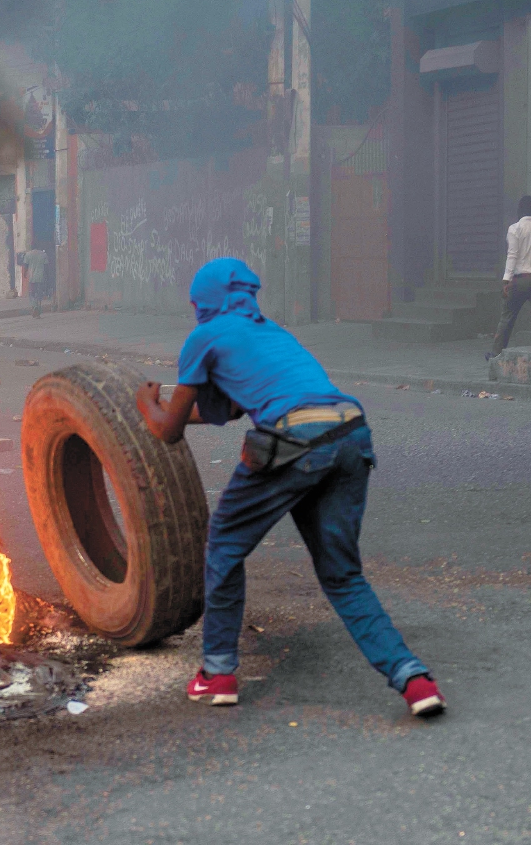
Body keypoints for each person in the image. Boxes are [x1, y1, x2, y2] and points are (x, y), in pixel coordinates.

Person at [134, 257, 445, 718]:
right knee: (342, 576)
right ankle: (413, 680)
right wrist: (172, 409)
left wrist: (145, 401)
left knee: (223, 546)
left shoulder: (204, 336)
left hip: (295, 440)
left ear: (204, 301)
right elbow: (230, 409)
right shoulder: (272, 333)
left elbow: (168, 430)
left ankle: (217, 673)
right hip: (350, 433)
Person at [489, 195, 531, 358]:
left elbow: (512, 255)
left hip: (519, 280)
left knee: (507, 317)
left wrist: (506, 280)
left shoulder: (514, 229)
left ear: (519, 209)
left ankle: (496, 354)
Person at [23, 245, 49, 318]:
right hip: (41, 277)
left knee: (32, 293)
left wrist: (24, 274)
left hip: (31, 277)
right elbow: (46, 267)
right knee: (39, 293)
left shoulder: (28, 254)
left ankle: (34, 305)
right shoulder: (43, 254)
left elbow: (25, 265)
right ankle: (38, 310)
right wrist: (47, 276)